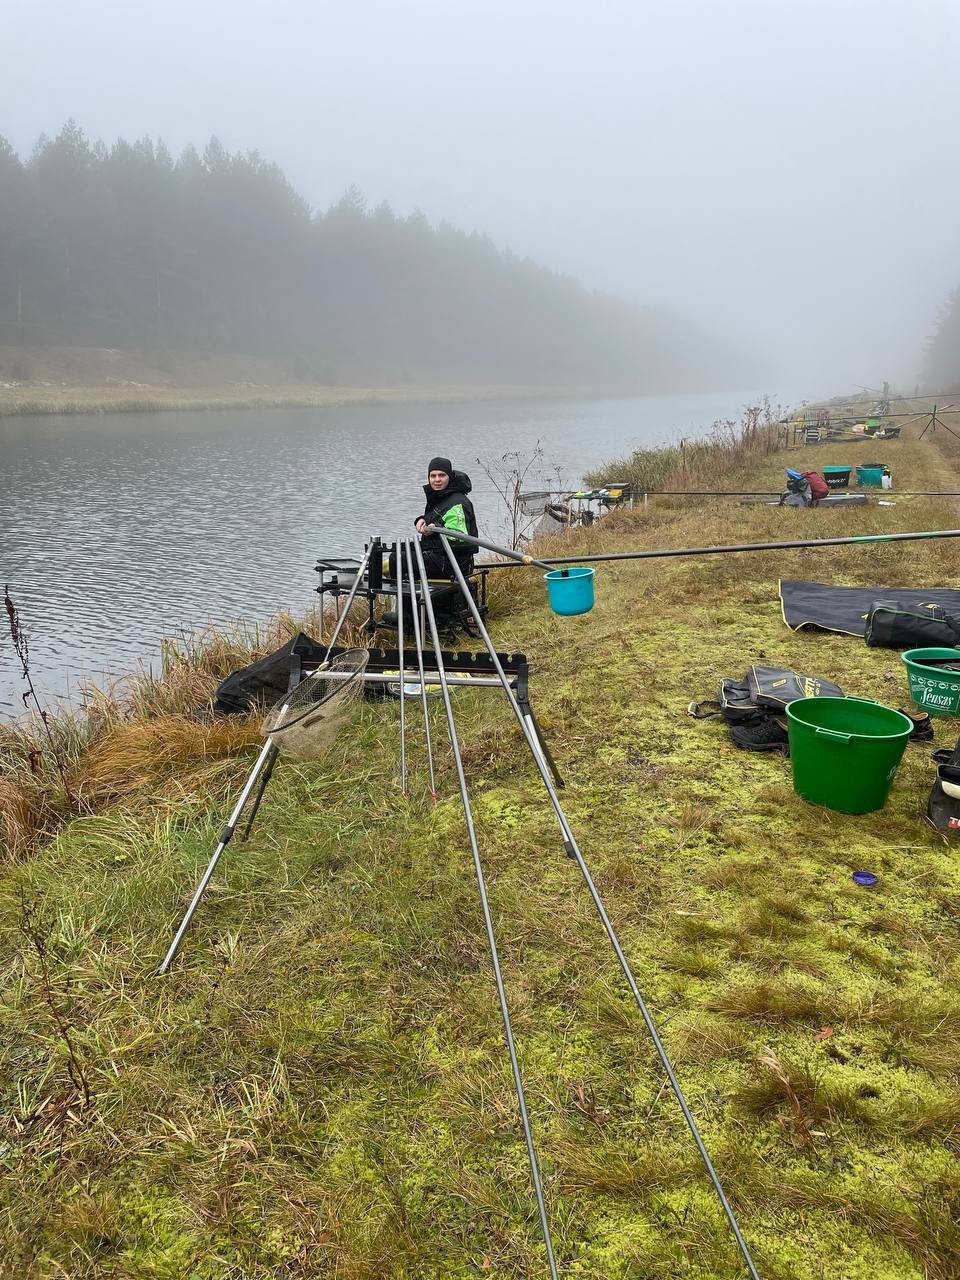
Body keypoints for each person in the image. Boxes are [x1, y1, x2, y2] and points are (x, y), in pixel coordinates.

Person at [413, 455, 478, 577]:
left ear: (450, 477)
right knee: (402, 553)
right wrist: (423, 519)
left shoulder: (457, 503)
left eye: (442, 475)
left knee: (395, 559)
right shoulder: (442, 497)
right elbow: (440, 516)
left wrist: (436, 529)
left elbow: (459, 538)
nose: (437, 480)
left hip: (453, 564)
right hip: (440, 557)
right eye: (433, 476)